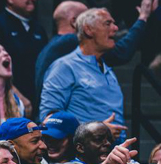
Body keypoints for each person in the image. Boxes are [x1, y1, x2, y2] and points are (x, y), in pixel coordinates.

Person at [34, 0, 157, 99]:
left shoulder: (52, 47)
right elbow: (121, 52)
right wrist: (143, 16)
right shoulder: (71, 42)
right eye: (88, 18)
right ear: (74, 22)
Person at [39, 8, 127, 140]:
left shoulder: (108, 70)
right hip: (83, 157)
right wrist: (97, 130)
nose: (115, 28)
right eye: (107, 23)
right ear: (88, 30)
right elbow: (49, 119)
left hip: (116, 153)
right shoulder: (64, 67)